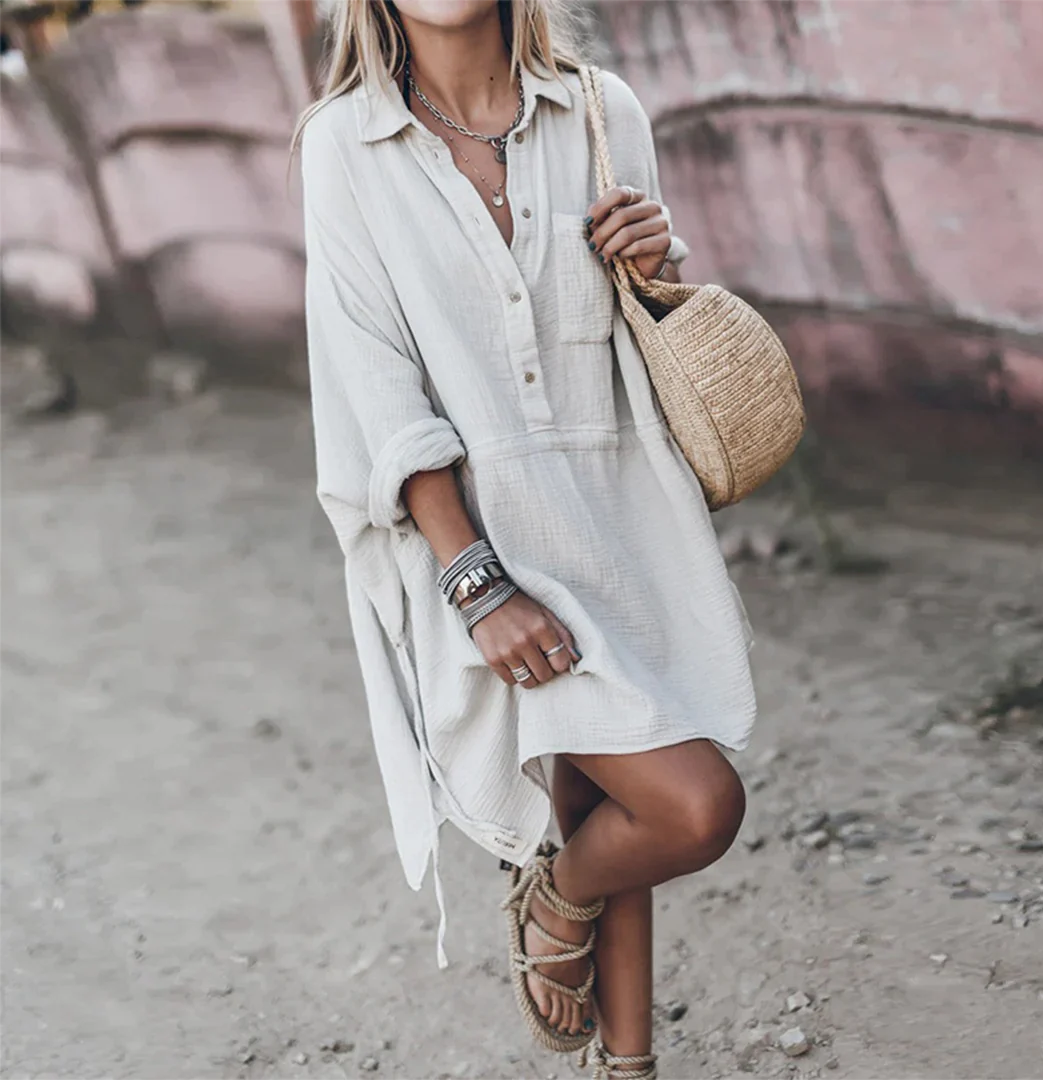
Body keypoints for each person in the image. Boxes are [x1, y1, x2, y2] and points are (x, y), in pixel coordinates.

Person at [298, 2, 756, 1075]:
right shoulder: (345, 143)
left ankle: (622, 1050)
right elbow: (375, 381)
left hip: (622, 518)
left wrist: (653, 256)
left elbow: (635, 328)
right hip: (482, 541)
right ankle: (558, 896)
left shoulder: (603, 110)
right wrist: (476, 582)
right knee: (695, 806)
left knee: (613, 802)